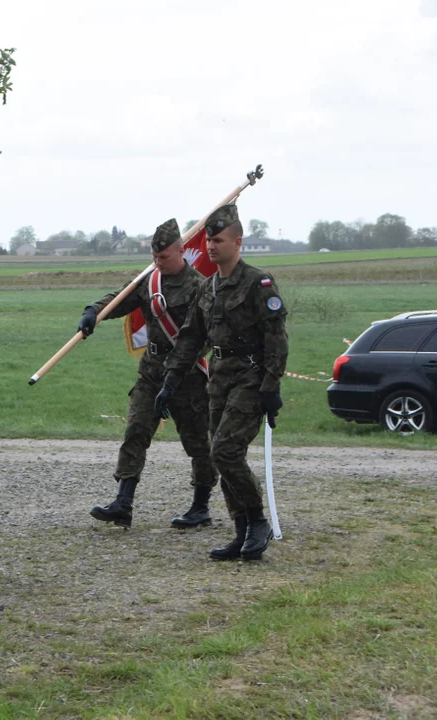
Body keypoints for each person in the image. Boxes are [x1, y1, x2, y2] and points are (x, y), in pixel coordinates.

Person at [155, 203, 289, 561]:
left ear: (237, 242)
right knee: (227, 455)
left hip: (251, 376)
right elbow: (189, 339)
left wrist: (271, 386)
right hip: (219, 378)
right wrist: (170, 381)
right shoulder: (208, 288)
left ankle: (257, 520)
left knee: (224, 452)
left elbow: (276, 338)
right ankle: (242, 530)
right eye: (209, 240)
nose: (211, 246)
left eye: (218, 240)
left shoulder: (258, 283)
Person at [79, 219, 217, 529]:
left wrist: (174, 377)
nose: (158, 262)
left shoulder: (199, 287)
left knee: (198, 444)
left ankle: (200, 507)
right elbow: (120, 299)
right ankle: (123, 503)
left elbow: (200, 339)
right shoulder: (149, 281)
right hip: (151, 373)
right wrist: (93, 311)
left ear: (181, 250)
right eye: (154, 257)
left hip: (186, 376)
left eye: (164, 257)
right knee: (135, 433)